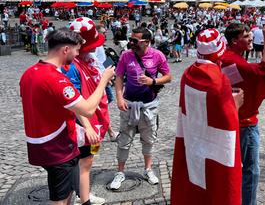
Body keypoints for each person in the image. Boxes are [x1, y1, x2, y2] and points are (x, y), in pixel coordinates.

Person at [20, 28, 115, 205]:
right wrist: (103, 80)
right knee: (61, 200)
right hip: (58, 147)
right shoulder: (56, 79)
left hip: (39, 144)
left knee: (65, 191)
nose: (78, 54)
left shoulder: (30, 72)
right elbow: (87, 109)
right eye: (77, 50)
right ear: (66, 50)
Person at [171, 28, 244, 205]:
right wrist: (236, 105)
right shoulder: (219, 80)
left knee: (195, 183)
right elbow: (227, 120)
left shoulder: (188, 74)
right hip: (214, 145)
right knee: (217, 183)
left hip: (194, 139)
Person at [221, 22, 265, 205]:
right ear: (235, 40)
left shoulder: (224, 57)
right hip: (245, 123)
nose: (251, 38)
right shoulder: (237, 62)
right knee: (251, 170)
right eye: (246, 36)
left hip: (228, 120)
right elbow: (264, 73)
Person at [109, 27, 172, 190]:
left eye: (134, 41)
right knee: (124, 140)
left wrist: (153, 82)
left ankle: (148, 169)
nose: (131, 43)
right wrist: (119, 97)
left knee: (148, 139)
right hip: (129, 104)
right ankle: (120, 172)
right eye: (130, 39)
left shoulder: (157, 55)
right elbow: (119, 77)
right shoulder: (126, 55)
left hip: (149, 106)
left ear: (146, 42)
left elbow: (168, 76)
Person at [63, 18, 110, 205]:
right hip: (83, 123)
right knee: (84, 161)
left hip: (95, 118)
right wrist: (88, 126)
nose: (94, 48)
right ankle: (83, 198)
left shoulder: (90, 59)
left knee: (87, 160)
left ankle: (83, 194)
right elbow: (74, 101)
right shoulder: (72, 67)